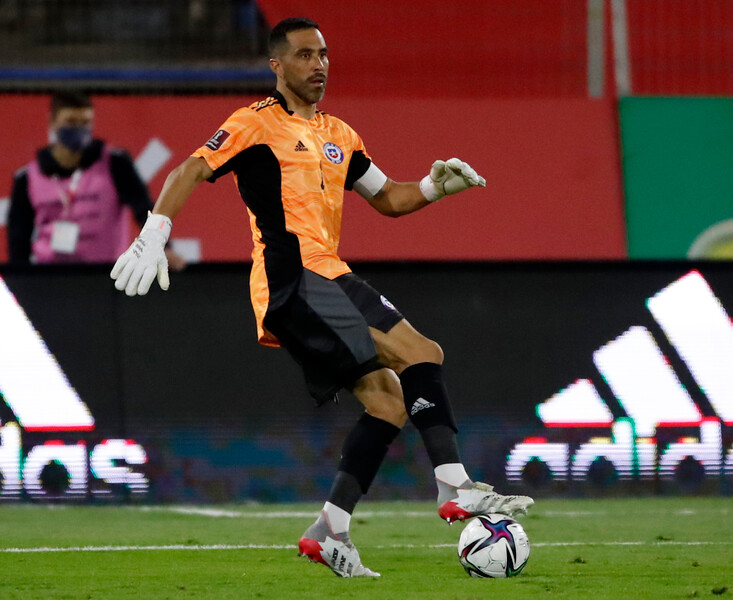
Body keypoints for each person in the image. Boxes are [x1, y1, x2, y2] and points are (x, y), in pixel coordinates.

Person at [109, 17, 533, 578]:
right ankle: (455, 487)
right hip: (297, 277)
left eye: (324, 54)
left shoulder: (340, 135)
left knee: (388, 402)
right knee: (422, 353)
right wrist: (154, 232)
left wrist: (436, 186)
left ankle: (330, 529)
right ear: (277, 65)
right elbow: (191, 168)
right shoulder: (254, 123)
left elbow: (389, 198)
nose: (319, 65)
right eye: (305, 55)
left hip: (320, 278)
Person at [7, 90, 186, 268]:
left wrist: (161, 246)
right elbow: (18, 237)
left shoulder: (115, 163)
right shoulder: (28, 177)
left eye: (85, 122)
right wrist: (21, 277)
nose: (78, 128)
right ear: (53, 121)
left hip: (105, 273)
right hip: (50, 275)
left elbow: (143, 207)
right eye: (70, 122)